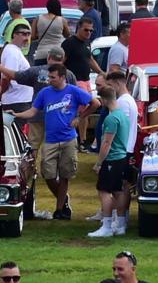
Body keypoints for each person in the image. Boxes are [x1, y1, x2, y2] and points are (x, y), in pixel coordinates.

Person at [12, 65, 98, 219]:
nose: (49, 80)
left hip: (69, 139)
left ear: (62, 77)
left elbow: (96, 103)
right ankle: (63, 199)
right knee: (48, 174)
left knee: (65, 175)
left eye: (53, 77)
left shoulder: (74, 91)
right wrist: (16, 114)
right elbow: (33, 111)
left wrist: (80, 117)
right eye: (49, 77)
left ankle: (59, 210)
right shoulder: (44, 93)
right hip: (50, 140)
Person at [88, 86, 131, 238]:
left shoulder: (111, 118)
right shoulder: (123, 116)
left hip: (112, 158)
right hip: (122, 157)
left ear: (104, 100)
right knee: (118, 191)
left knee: (104, 191)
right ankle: (120, 224)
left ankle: (106, 226)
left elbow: (106, 143)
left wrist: (99, 163)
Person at [0, 24, 32, 112]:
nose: (27, 37)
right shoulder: (12, 52)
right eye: (24, 34)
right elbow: (7, 76)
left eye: (29, 34)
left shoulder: (15, 51)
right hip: (16, 101)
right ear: (14, 35)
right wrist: (1, 93)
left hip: (19, 100)